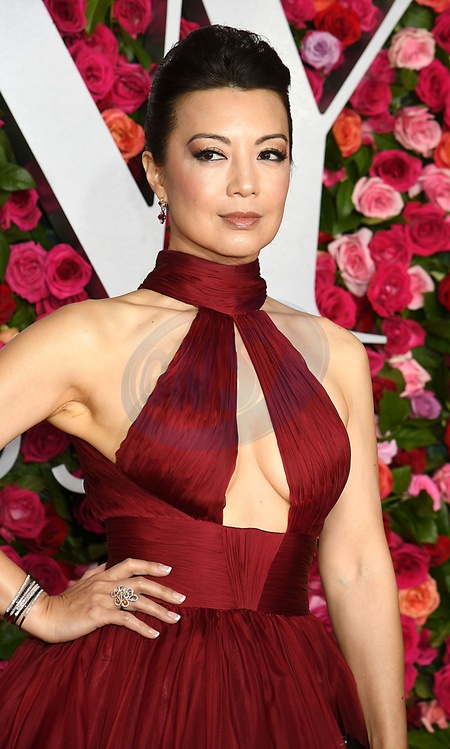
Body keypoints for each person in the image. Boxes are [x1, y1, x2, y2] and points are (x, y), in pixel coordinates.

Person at [0, 24, 407, 749]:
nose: (246, 183)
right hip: (128, 702)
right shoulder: (89, 338)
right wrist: (36, 607)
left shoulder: (337, 356)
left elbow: (355, 570)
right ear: (157, 173)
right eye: (211, 153)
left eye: (270, 153)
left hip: (290, 699)